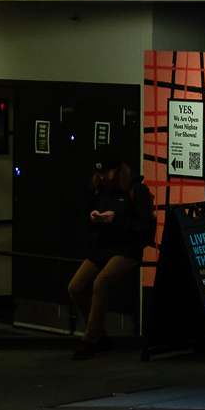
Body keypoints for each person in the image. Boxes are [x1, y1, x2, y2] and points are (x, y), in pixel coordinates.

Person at [67, 144, 154, 360]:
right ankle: (100, 335)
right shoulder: (98, 188)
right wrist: (92, 218)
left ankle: (89, 341)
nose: (102, 177)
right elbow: (84, 217)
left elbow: (146, 228)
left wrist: (117, 220)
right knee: (75, 286)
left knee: (101, 282)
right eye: (98, 173)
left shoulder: (136, 190)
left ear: (117, 169)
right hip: (103, 247)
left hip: (127, 248)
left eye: (105, 172)